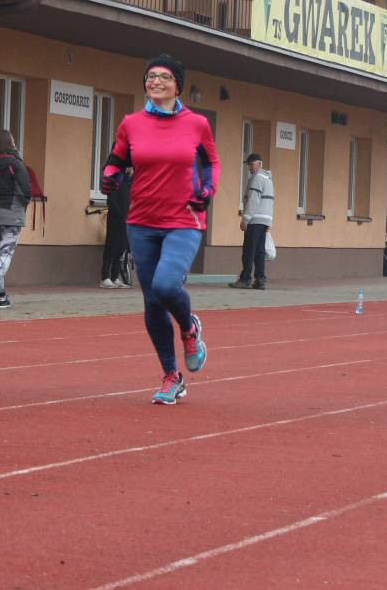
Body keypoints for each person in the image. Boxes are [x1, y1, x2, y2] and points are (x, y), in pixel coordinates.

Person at [100, 54, 219, 405]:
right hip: (142, 220)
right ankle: (171, 375)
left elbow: (211, 162)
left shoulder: (196, 124)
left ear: (177, 85)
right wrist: (110, 176)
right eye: (151, 76)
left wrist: (207, 191)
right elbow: (118, 158)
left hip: (185, 218)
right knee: (152, 301)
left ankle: (189, 328)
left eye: (165, 77)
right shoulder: (131, 123)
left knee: (166, 285)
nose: (156, 82)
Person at [0, 129, 32, 309]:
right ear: (10, 142)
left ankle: (1, 297)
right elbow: (26, 190)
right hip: (12, 214)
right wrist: (22, 205)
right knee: (6, 253)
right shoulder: (16, 164)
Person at [229, 153, 273, 289]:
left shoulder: (257, 178)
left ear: (259, 164)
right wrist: (269, 222)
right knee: (259, 251)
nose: (249, 168)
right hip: (265, 219)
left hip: (255, 219)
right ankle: (260, 279)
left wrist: (245, 219)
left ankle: (245, 279)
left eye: (251, 164)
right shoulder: (268, 178)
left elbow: (253, 200)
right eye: (248, 165)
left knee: (249, 250)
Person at [100, 167, 133, 288]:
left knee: (122, 247)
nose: (131, 168)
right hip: (115, 219)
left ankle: (114, 277)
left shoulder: (128, 180)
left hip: (126, 219)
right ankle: (105, 278)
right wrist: (120, 215)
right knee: (111, 247)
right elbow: (111, 201)